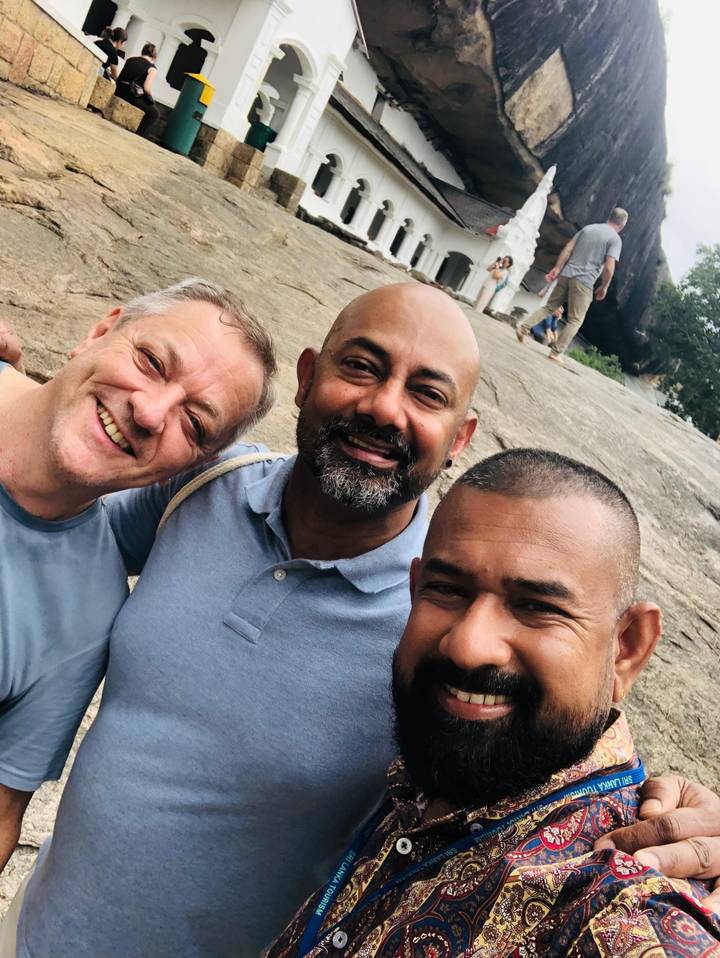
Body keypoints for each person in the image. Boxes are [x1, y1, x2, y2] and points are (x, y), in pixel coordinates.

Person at [2, 285, 720, 958]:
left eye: (427, 393)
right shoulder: (204, 483)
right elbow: (51, 511)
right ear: (310, 376)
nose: (384, 408)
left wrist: (680, 813)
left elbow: (556, 751)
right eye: (362, 367)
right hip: (30, 929)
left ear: (459, 436)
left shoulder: (442, 632)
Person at [265, 450, 720, 957]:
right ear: (415, 591)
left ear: (627, 648)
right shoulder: (424, 762)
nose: (468, 645)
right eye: (447, 590)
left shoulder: (624, 908)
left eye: (536, 607)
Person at [0, 278, 274, 892]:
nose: (149, 412)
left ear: (186, 466)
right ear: (101, 330)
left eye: (194, 424)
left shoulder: (87, 614)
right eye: (150, 362)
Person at [516, 208, 627, 364]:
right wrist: (604, 286)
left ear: (609, 217)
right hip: (584, 281)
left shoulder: (588, 228)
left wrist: (557, 268)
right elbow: (609, 267)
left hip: (566, 274)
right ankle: (556, 352)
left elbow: (568, 248)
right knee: (575, 320)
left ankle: (523, 328)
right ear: (622, 225)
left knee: (549, 307)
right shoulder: (615, 239)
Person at [114, 41, 159, 138]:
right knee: (154, 114)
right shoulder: (152, 68)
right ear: (154, 57)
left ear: (143, 52)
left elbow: (120, 77)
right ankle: (139, 136)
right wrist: (150, 98)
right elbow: (147, 88)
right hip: (132, 96)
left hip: (119, 91)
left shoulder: (130, 60)